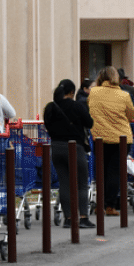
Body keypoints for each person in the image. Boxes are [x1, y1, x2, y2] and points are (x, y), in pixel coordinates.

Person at [43, 79, 94, 228]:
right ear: (72, 92)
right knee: (82, 183)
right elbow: (89, 123)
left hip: (56, 147)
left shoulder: (50, 107)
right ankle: (83, 217)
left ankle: (69, 219)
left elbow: (47, 125)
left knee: (64, 183)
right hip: (75, 148)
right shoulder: (77, 106)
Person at [87, 66, 134, 215]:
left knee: (101, 171)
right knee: (115, 172)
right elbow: (131, 115)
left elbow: (90, 110)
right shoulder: (124, 95)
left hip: (100, 137)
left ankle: (100, 205)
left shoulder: (93, 93)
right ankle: (111, 206)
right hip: (121, 138)